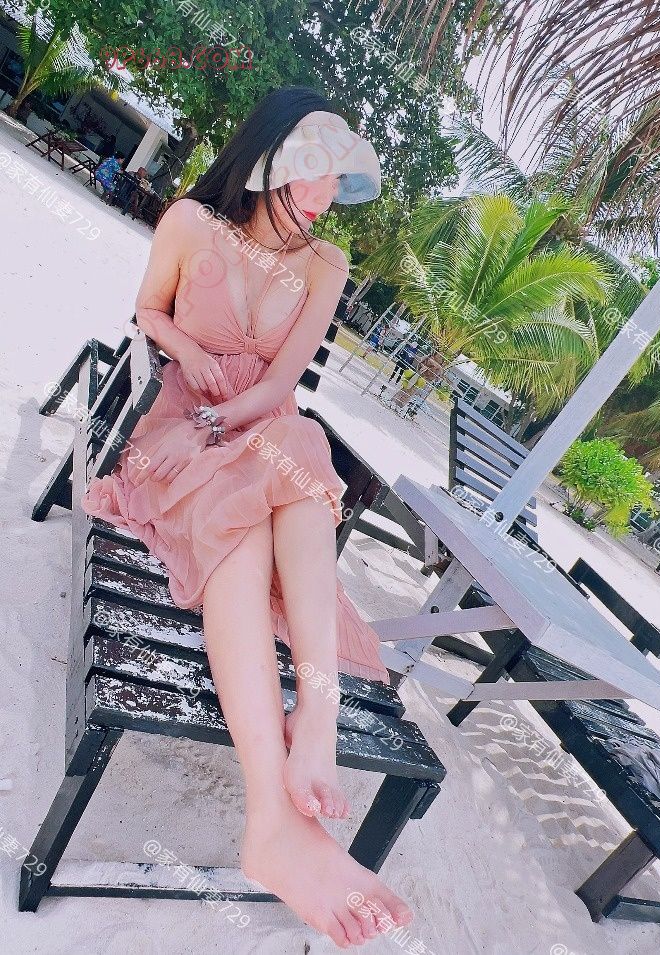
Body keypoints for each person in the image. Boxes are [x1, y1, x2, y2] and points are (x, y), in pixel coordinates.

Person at [80, 86, 412, 948]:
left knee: (299, 444)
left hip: (256, 426)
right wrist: (192, 357)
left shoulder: (326, 262)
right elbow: (149, 311)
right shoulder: (191, 223)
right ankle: (272, 813)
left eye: (336, 181)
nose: (322, 196)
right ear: (268, 157)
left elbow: (281, 385)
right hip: (179, 426)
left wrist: (232, 421)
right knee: (252, 509)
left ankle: (315, 726)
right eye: (310, 174)